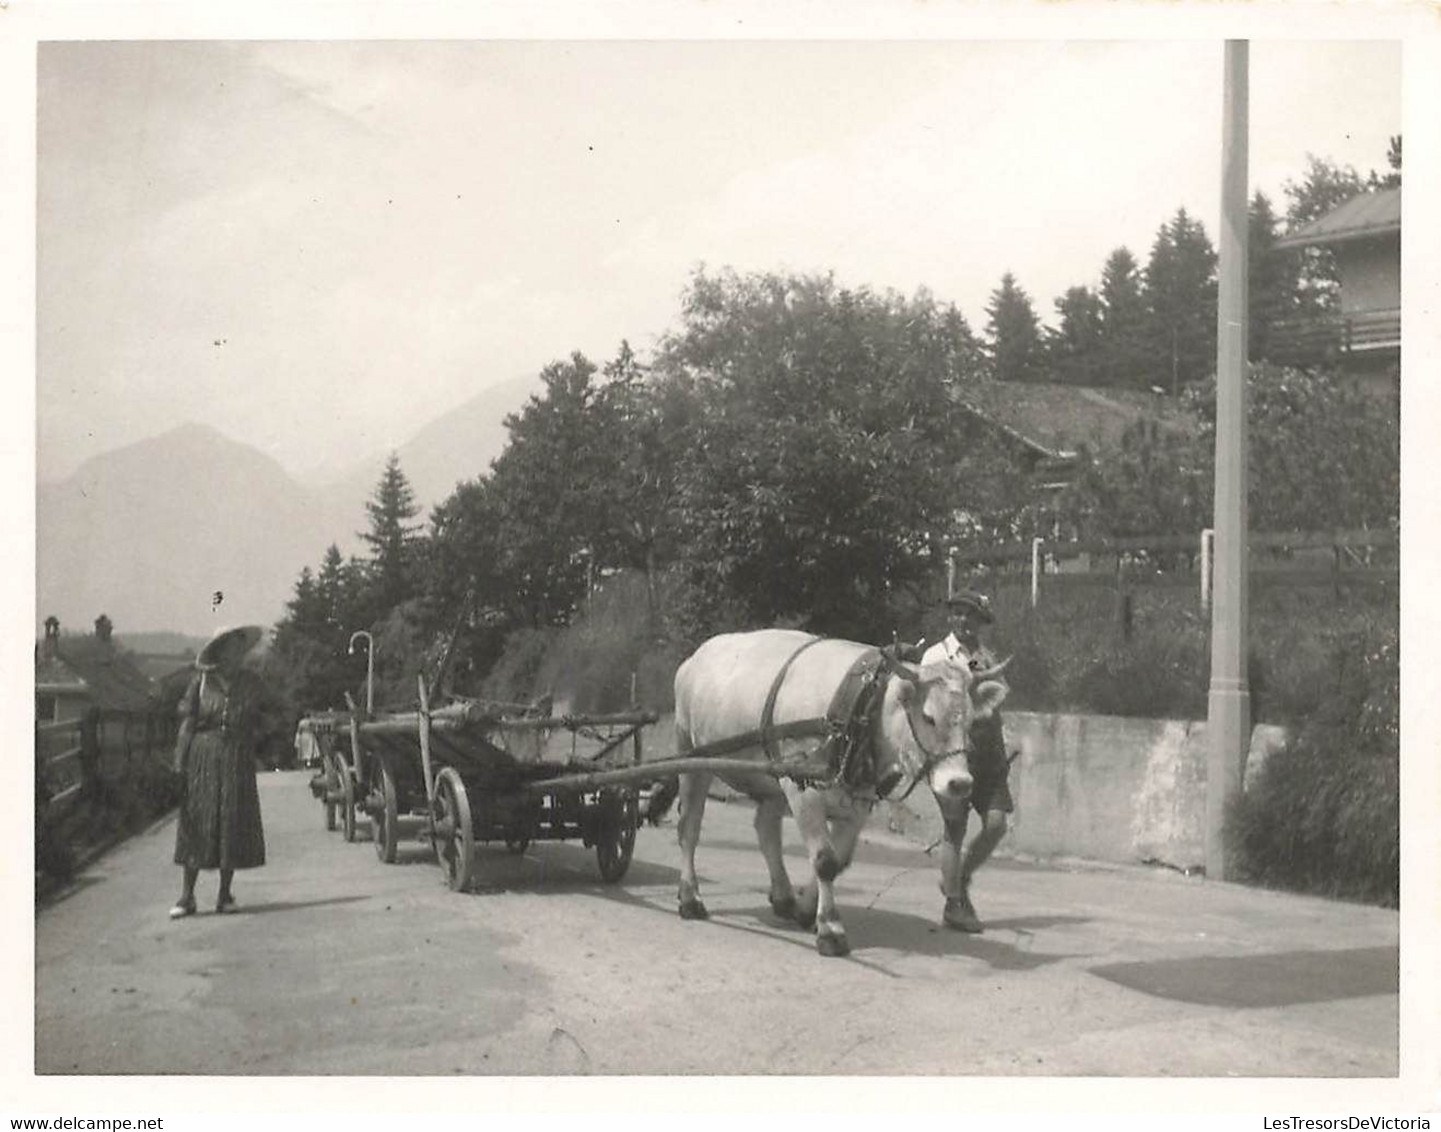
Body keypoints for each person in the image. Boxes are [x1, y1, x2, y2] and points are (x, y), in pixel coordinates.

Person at [920, 590, 1011, 933]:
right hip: (952, 754)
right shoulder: (935, 655)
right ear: (950, 618)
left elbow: (999, 693)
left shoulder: (986, 656)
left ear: (981, 622)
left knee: (996, 824)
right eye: (957, 613)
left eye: (970, 615)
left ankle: (960, 878)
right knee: (955, 828)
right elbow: (927, 701)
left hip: (989, 751)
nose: (963, 620)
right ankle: (954, 904)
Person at [170, 625, 268, 918]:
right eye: (232, 648)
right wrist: (180, 761)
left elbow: (262, 717)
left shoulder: (251, 682)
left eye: (241, 648)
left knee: (232, 821)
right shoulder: (201, 682)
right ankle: (187, 897)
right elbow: (187, 724)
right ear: (220, 650)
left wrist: (253, 745)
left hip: (236, 757)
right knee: (197, 819)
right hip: (203, 756)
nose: (238, 654)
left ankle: (225, 895)